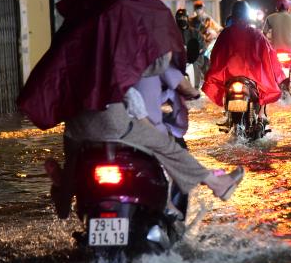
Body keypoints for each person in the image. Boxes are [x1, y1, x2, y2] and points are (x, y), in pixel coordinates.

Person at [46, 54, 244, 219]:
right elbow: (147, 73)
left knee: (73, 161)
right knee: (165, 146)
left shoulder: (73, 50)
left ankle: (63, 197)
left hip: (77, 126)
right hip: (114, 122)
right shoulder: (117, 45)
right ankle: (216, 183)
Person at [203, 0, 285, 122]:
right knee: (263, 89)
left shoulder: (226, 33)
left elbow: (215, 56)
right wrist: (276, 72)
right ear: (247, 15)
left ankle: (228, 114)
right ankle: (261, 114)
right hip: (253, 78)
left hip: (230, 78)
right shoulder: (256, 34)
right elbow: (270, 56)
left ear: (233, 15)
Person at [176, 8, 206, 88]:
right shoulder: (172, 33)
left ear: (187, 18)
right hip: (178, 61)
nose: (182, 19)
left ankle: (195, 88)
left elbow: (203, 47)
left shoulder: (195, 33)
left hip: (193, 61)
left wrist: (195, 52)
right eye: (179, 18)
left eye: (184, 17)